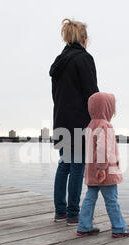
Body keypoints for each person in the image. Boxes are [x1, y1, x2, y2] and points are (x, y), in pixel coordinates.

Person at [50, 19, 99, 225]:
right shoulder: (84, 58)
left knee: (64, 165)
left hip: (60, 119)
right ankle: (73, 214)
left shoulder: (58, 62)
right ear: (83, 39)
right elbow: (92, 93)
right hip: (79, 121)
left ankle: (60, 211)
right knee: (78, 166)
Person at [77, 92, 129, 238]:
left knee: (90, 198)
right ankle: (119, 228)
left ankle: (84, 226)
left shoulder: (90, 125)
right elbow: (102, 150)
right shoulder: (105, 126)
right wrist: (102, 168)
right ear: (107, 108)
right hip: (105, 171)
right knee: (111, 200)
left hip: (91, 170)